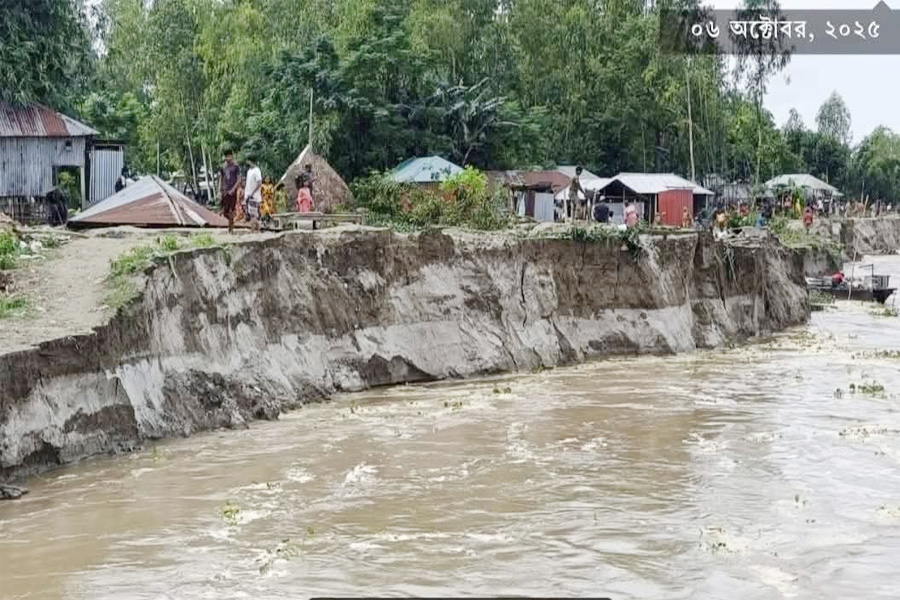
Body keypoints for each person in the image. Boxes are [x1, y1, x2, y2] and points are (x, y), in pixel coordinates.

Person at [218, 149, 241, 234]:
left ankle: (230, 229)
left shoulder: (236, 166)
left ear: (232, 156)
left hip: (232, 191)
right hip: (224, 191)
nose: (228, 158)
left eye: (229, 156)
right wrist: (219, 190)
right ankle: (231, 222)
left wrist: (234, 189)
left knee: (231, 210)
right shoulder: (222, 167)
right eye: (226, 156)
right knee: (224, 212)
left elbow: (239, 179)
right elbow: (220, 179)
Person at [244, 156, 263, 230]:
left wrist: (252, 193)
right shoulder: (249, 171)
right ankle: (257, 228)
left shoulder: (256, 170)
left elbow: (259, 182)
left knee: (253, 214)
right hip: (248, 194)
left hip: (254, 196)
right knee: (250, 213)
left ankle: (254, 228)